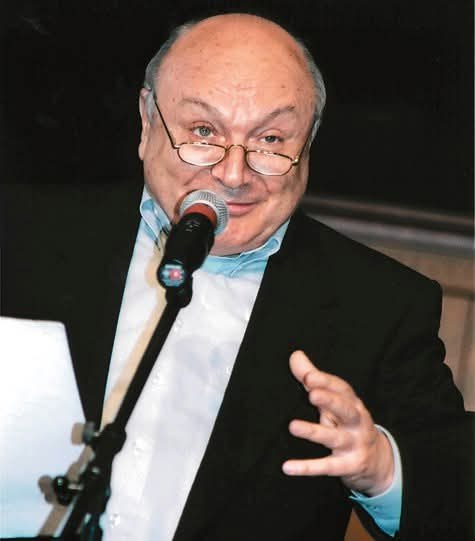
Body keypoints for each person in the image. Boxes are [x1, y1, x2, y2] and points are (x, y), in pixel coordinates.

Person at [1, 12, 473, 541]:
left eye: (270, 139)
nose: (233, 173)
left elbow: (456, 490)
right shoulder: (20, 236)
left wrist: (382, 468)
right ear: (147, 121)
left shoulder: (378, 305)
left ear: (307, 146)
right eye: (203, 131)